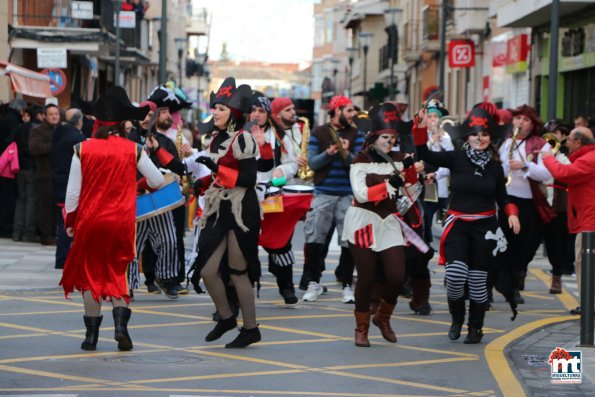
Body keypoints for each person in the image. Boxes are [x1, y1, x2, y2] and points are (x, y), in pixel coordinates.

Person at [60, 86, 163, 351]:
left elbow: (72, 194)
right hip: (121, 222)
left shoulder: (82, 149)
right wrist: (135, 183)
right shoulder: (134, 150)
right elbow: (158, 180)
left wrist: (70, 223)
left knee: (90, 276)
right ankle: (120, 328)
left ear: (96, 120)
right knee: (119, 274)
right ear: (121, 123)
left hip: (90, 221)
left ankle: (91, 336)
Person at [414, 106, 520, 344]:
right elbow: (424, 153)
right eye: (474, 134)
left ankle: (475, 328)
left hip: (485, 229)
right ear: (467, 137)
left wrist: (512, 213)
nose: (479, 138)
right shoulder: (456, 158)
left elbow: (502, 197)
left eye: (484, 134)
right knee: (455, 275)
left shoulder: (495, 167)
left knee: (477, 281)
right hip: (459, 224)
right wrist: (420, 128)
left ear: (490, 138)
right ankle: (457, 320)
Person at [192, 77, 262, 348]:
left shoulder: (243, 138)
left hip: (241, 209)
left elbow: (248, 179)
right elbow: (221, 176)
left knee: (238, 272)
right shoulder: (216, 138)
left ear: (233, 113)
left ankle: (251, 328)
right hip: (219, 207)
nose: (215, 113)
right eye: (215, 108)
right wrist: (204, 181)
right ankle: (226, 317)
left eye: (220, 108)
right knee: (208, 270)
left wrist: (214, 169)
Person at [342, 103, 418, 346]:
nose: (389, 142)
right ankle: (361, 328)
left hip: (389, 222)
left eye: (393, 138)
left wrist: (413, 173)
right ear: (374, 136)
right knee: (366, 277)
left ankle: (383, 318)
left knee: (397, 275)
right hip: (363, 221)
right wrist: (391, 184)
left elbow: (411, 188)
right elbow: (362, 194)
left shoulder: (399, 158)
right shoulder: (360, 159)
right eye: (385, 137)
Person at [300, 95, 364, 303]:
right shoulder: (319, 132)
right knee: (315, 238)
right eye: (349, 111)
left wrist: (345, 152)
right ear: (336, 111)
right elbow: (313, 163)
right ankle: (313, 282)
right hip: (323, 192)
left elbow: (357, 164)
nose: (353, 114)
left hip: (347, 193)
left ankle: (347, 285)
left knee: (348, 241)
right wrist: (329, 153)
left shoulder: (357, 134)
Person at [497, 104, 555, 304]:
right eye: (517, 119)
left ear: (532, 124)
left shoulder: (541, 144)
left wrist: (525, 166)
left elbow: (547, 173)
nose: (520, 123)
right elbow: (499, 172)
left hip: (530, 202)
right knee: (506, 242)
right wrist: (505, 169)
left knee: (526, 245)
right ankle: (510, 286)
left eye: (525, 120)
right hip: (507, 199)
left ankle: (517, 275)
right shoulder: (506, 143)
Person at [250, 91, 299, 305]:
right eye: (253, 110)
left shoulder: (280, 136)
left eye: (261, 111)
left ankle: (286, 285)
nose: (256, 115)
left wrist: (282, 170)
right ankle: (246, 288)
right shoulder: (238, 134)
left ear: (268, 114)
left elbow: (293, 163)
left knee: (281, 242)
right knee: (246, 244)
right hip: (247, 196)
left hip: (273, 194)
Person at [543, 126, 595, 315]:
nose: (566, 143)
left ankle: (589, 306)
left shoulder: (589, 159)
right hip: (587, 218)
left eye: (570, 140)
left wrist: (547, 157)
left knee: (584, 262)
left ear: (579, 142)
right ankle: (589, 303)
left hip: (590, 222)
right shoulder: (587, 157)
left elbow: (563, 174)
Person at [51, 108, 86, 269]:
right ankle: (64, 258)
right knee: (69, 221)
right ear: (80, 121)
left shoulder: (59, 133)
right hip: (69, 183)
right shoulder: (77, 139)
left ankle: (62, 257)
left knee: (62, 221)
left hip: (57, 180)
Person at [29, 104, 61, 245]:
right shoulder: (38, 130)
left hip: (58, 174)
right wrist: (54, 147)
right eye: (51, 114)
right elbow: (34, 148)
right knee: (45, 206)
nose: (54, 116)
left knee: (56, 206)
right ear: (45, 116)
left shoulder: (61, 129)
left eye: (56, 114)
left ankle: (54, 233)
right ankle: (45, 235)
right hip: (45, 174)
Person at [12, 105, 41, 242]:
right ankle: (28, 233)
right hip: (32, 168)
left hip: (19, 168)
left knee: (20, 200)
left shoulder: (18, 128)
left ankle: (16, 232)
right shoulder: (35, 129)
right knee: (31, 201)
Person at [0, 98, 26, 238]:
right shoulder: (14, 122)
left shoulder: (4, 118)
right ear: (20, 110)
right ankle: (5, 228)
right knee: (8, 199)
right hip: (8, 166)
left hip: (3, 164)